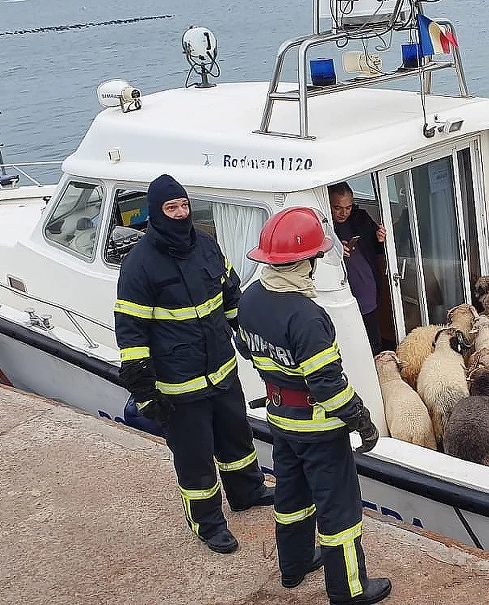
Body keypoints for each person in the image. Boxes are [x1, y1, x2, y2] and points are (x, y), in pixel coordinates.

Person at [237, 206, 391, 605]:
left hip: (279, 420)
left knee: (290, 496)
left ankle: (295, 564)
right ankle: (349, 590)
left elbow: (246, 348)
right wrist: (360, 417)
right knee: (338, 509)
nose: (316, 264)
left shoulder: (250, 298)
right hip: (319, 429)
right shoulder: (308, 316)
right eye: (315, 258)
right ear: (302, 263)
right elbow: (327, 385)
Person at [114, 174, 273, 554]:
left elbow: (230, 294)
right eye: (172, 208)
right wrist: (144, 391)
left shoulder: (206, 245)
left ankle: (247, 492)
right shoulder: (139, 266)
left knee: (237, 439)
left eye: (184, 205)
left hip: (222, 370)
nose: (181, 213)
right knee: (195, 457)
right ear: (156, 214)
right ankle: (207, 522)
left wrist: (246, 336)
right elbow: (131, 333)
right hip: (179, 385)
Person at [328, 182, 387, 355]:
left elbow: (376, 251)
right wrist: (335, 251)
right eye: (337, 207)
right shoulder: (324, 227)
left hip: (368, 292)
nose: (343, 213)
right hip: (343, 297)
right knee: (351, 348)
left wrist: (380, 239)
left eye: (348, 207)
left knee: (374, 344)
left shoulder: (361, 217)